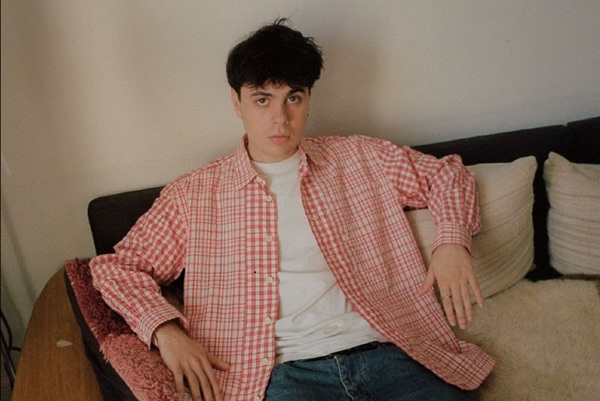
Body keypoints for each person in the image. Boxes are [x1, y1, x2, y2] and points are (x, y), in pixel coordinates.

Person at [90, 19, 494, 401]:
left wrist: (451, 243)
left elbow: (449, 175)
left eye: (293, 98)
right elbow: (117, 269)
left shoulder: (361, 158)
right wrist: (166, 332)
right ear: (236, 103)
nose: (280, 118)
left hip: (390, 352)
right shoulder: (193, 196)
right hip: (285, 375)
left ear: (308, 100)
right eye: (262, 100)